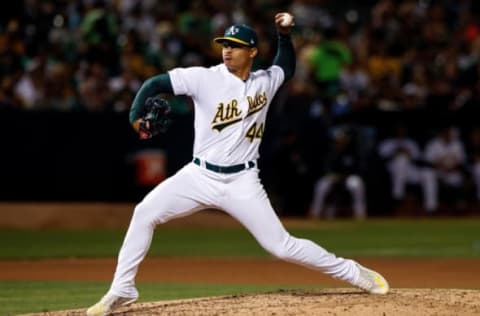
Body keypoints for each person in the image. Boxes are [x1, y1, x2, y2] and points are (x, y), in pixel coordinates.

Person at [86, 13, 389, 316]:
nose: (227, 50)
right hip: (199, 175)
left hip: (243, 181)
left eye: (236, 45)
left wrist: (284, 35)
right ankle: (122, 289)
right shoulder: (204, 77)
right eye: (225, 44)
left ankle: (353, 272)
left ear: (253, 52)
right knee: (144, 213)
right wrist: (135, 116)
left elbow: (286, 67)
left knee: (281, 246)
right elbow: (155, 84)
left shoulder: (265, 82)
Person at [309, 126, 367, 220]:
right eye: (338, 140)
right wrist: (333, 175)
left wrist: (344, 176)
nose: (340, 142)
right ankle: (315, 212)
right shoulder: (331, 153)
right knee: (321, 185)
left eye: (343, 140)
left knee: (357, 184)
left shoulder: (352, 152)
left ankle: (360, 213)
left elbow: (357, 168)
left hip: (349, 177)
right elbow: (326, 168)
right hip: (333, 177)